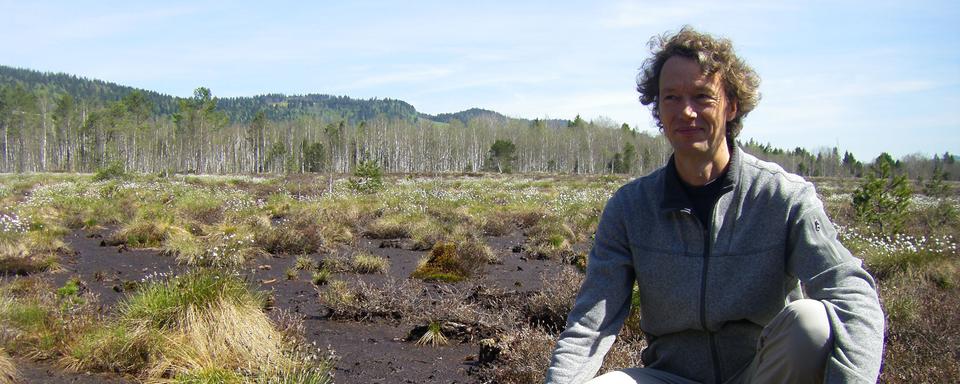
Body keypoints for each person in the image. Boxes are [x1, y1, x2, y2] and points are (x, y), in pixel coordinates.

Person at [545, 26, 884, 384]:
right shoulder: (631, 208)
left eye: (702, 97)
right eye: (671, 97)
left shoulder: (781, 197)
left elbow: (852, 293)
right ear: (657, 107)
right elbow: (591, 322)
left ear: (731, 106)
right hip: (672, 377)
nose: (686, 112)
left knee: (811, 323)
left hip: (761, 374)